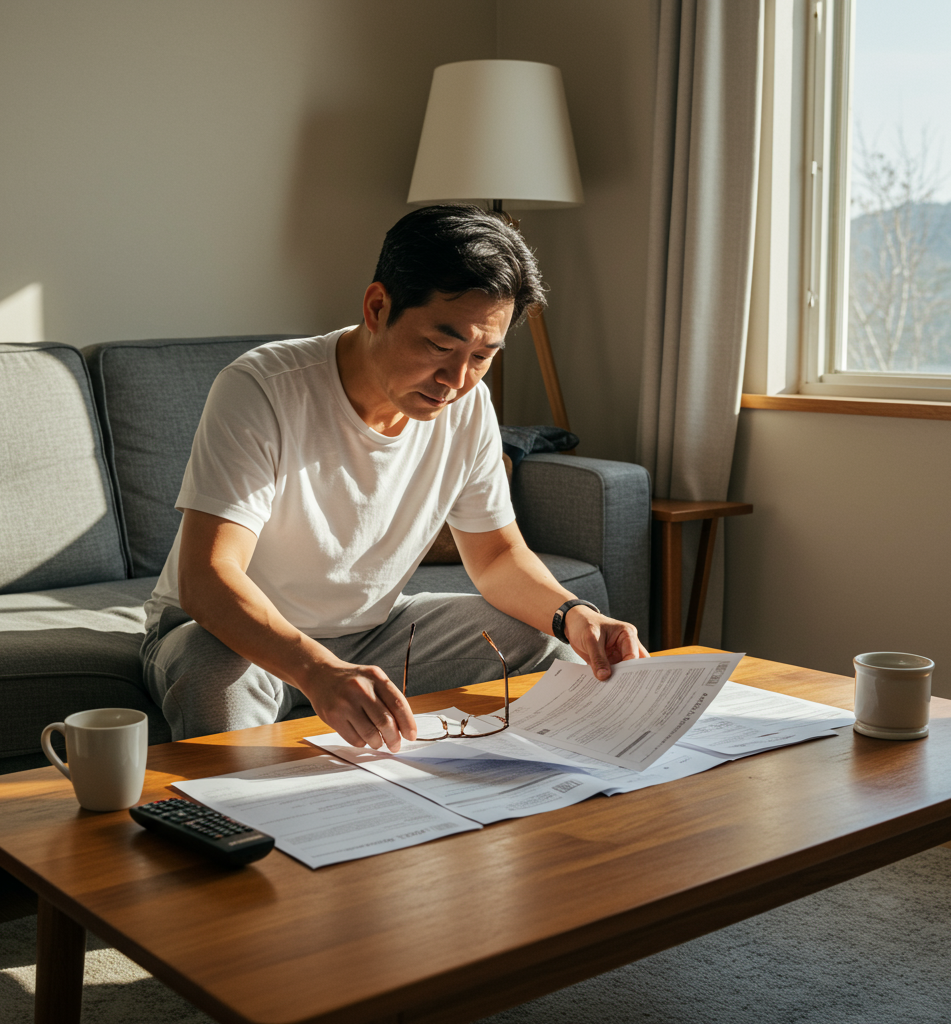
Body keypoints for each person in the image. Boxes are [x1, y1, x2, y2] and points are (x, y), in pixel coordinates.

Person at [141, 205, 648, 752]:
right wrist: (317, 670)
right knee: (216, 684)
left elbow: (498, 558)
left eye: (482, 356)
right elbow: (208, 576)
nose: (456, 380)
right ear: (378, 307)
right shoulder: (261, 388)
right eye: (440, 346)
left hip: (374, 632)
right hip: (226, 636)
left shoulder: (469, 405)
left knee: (548, 646)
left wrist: (574, 614)